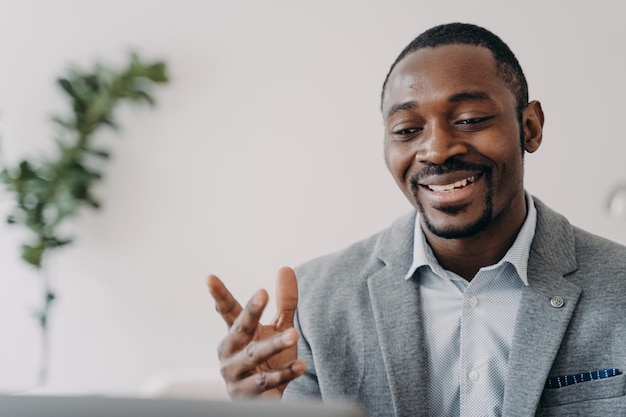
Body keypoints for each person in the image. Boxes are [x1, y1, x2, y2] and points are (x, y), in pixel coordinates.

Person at [207, 22, 626, 416]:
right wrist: (261, 409)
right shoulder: (316, 306)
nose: (437, 150)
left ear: (530, 127)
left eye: (470, 120)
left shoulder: (619, 284)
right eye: (407, 129)